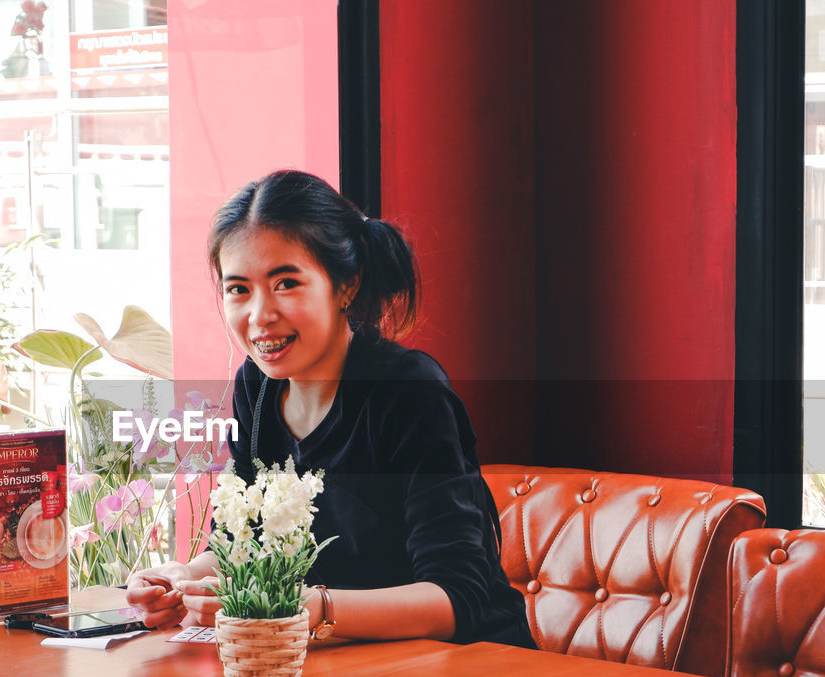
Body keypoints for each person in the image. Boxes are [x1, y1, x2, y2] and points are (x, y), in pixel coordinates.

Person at [126, 169, 533, 646]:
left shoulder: (408, 392)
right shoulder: (254, 389)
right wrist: (183, 581)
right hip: (339, 676)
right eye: (239, 289)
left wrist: (311, 608)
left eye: (285, 283)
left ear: (347, 286)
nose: (259, 315)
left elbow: (457, 598)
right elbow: (242, 542)